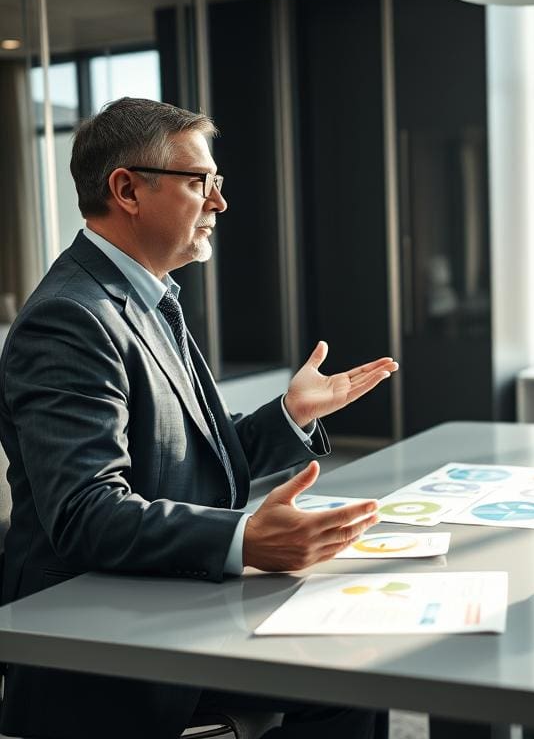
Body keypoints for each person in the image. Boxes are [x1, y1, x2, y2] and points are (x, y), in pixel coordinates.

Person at [0, 97, 398, 739]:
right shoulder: (69, 318)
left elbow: (190, 461)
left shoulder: (147, 295)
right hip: (102, 636)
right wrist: (243, 539)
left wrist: (291, 415)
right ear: (127, 189)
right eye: (200, 182)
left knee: (358, 665)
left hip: (168, 594)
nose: (219, 202)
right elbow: (86, 512)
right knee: (349, 680)